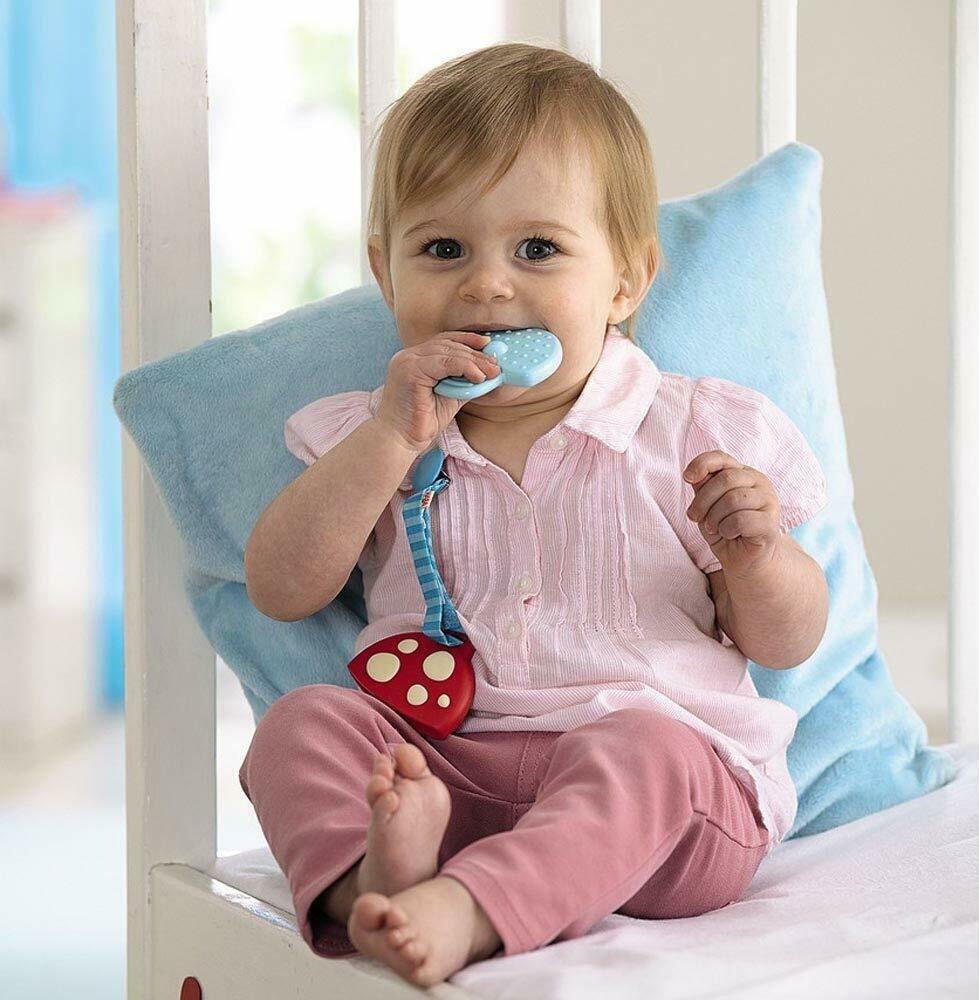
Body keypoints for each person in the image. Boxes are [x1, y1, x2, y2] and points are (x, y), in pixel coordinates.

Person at [241, 41, 829, 989]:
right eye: (442, 250)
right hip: (449, 777)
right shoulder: (375, 432)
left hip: (659, 805)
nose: (486, 286)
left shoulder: (690, 429)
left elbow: (785, 641)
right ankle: (373, 887)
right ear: (386, 277)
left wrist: (754, 556)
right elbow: (281, 588)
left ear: (626, 282)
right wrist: (390, 439)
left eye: (538, 250)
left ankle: (470, 911)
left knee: (648, 748)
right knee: (301, 722)